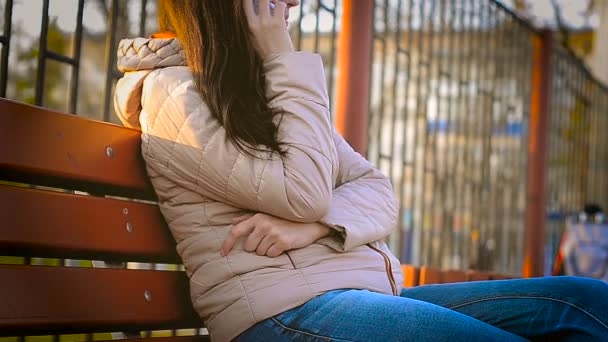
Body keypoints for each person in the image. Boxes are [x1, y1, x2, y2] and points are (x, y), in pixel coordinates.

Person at [113, 1, 608, 341]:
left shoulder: (266, 89)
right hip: (280, 312)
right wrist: (284, 59)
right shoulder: (172, 95)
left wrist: (314, 225)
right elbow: (303, 190)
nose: (293, 5)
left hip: (356, 293)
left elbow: (377, 189)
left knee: (582, 301)